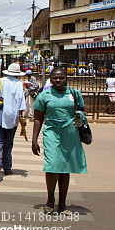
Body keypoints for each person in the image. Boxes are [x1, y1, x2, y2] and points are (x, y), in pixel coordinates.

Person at [31, 67, 87, 213]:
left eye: (61, 77)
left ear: (66, 78)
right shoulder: (44, 95)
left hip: (70, 134)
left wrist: (80, 115)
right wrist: (34, 140)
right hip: (51, 133)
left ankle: (62, 204)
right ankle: (50, 201)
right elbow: (38, 118)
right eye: (55, 78)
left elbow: (82, 110)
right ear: (50, 79)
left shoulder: (74, 93)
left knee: (65, 168)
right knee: (52, 166)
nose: (58, 80)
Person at [0, 62, 27, 182]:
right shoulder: (18, 84)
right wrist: (22, 118)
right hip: (13, 118)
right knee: (8, 143)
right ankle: (7, 167)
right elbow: (22, 103)